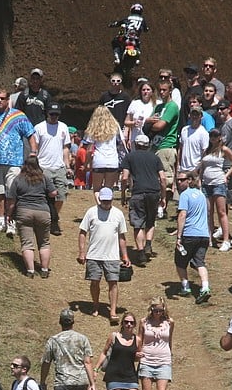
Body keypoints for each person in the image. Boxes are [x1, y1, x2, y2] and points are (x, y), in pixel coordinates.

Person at [0, 88, 38, 235]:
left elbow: (30, 134)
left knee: (12, 192)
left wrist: (33, 152)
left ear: (7, 100)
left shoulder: (18, 116)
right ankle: (0, 220)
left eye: (1, 99)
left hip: (14, 161)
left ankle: (10, 221)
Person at [78, 187, 131, 322]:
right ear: (100, 199)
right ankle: (95, 306)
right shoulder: (91, 212)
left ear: (112, 199)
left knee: (113, 283)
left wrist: (124, 256)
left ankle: (112, 311)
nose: (106, 203)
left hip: (112, 256)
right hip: (94, 255)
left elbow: (121, 236)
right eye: (104, 200)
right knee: (94, 282)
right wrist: (82, 252)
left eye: (109, 200)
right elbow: (83, 232)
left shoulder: (118, 214)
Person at [119, 132, 164, 265]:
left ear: (135, 144)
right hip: (154, 192)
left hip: (138, 192)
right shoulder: (155, 158)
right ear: (147, 145)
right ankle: (148, 244)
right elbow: (162, 178)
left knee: (138, 223)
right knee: (150, 220)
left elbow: (125, 177)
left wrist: (123, 194)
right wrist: (163, 196)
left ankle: (140, 252)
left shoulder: (130, 157)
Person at [7, 155, 53, 277]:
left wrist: (9, 215)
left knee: (27, 243)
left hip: (24, 212)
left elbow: (11, 200)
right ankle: (44, 269)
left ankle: (30, 271)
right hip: (43, 211)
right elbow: (53, 193)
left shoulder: (18, 179)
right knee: (44, 243)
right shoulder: (44, 178)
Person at [172, 171, 212, 303]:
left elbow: (183, 214)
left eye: (182, 180)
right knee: (199, 262)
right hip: (203, 235)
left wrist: (179, 236)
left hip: (190, 234)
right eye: (177, 180)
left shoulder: (185, 195)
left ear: (189, 180)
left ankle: (185, 286)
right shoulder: (202, 195)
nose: (179, 182)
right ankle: (205, 287)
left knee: (180, 261)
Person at [138, 297, 173, 390]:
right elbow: (139, 339)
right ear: (151, 309)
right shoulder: (143, 322)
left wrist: (170, 356)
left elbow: (170, 340)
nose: (158, 313)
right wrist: (138, 354)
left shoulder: (169, 323)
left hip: (164, 361)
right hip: (147, 360)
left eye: (160, 310)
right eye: (155, 310)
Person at [34, 102, 72, 236]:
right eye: (52, 114)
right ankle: (51, 220)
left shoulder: (63, 127)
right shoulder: (39, 128)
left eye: (57, 114)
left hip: (59, 166)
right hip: (44, 167)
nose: (54, 117)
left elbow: (65, 148)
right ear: (47, 113)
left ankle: (53, 218)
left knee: (61, 195)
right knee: (47, 197)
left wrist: (67, 166)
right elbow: (35, 148)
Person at [85, 105, 124, 193]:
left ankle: (99, 205)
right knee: (108, 189)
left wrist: (86, 163)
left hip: (99, 161)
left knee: (97, 190)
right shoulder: (116, 127)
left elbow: (90, 150)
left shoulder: (93, 128)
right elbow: (122, 143)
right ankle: (107, 206)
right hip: (112, 161)